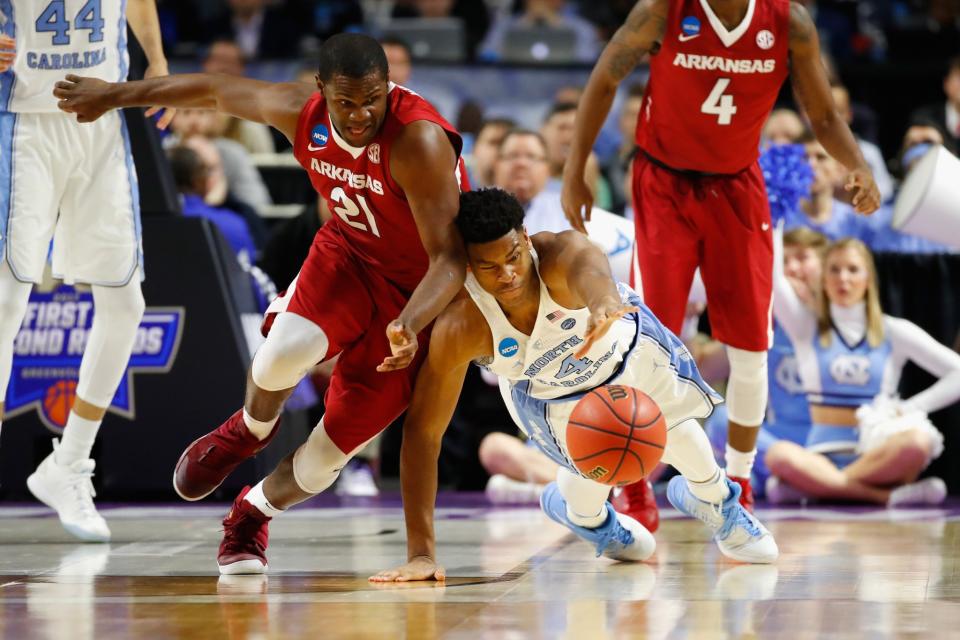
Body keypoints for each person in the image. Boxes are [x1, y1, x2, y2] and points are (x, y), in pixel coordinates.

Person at [55, 33, 469, 572]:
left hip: (419, 293)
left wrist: (410, 323)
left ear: (387, 87)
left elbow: (451, 260)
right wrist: (113, 94)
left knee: (324, 462)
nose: (362, 113)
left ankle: (250, 513)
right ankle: (249, 430)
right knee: (283, 351)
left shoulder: (418, 140)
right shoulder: (301, 112)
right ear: (321, 91)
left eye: (373, 98)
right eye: (347, 102)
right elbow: (213, 90)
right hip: (349, 257)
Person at [561, 0, 881, 521]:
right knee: (652, 339)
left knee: (752, 345)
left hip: (737, 186)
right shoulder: (663, 11)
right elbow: (604, 77)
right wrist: (576, 167)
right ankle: (636, 484)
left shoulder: (788, 22)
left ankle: (738, 482)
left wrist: (859, 165)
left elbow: (820, 113)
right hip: (664, 183)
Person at [371, 188, 778, 582]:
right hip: (552, 397)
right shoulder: (462, 325)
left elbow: (595, 278)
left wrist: (604, 307)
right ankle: (587, 517)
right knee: (598, 493)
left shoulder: (564, 253)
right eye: (490, 267)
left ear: (526, 238)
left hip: (625, 354)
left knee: (677, 431)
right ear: (467, 265)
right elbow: (424, 433)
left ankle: (718, 501)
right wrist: (421, 554)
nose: (508, 274)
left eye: (513, 257)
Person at [0, 0, 171, 542]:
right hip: (22, 121)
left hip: (99, 123)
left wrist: (157, 60)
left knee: (126, 305)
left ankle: (68, 464)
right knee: (6, 300)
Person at [764, 234, 960, 505]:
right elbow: (774, 280)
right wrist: (774, 221)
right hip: (820, 455)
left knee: (917, 443)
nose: (843, 278)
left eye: (853, 270)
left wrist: (910, 407)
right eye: (834, 269)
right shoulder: (806, 327)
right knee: (779, 455)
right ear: (823, 278)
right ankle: (883, 496)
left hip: (879, 454)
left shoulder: (893, 330)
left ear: (868, 279)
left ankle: (818, 488)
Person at [707, 227, 826, 496]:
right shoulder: (763, 321)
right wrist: (689, 321)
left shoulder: (842, 317)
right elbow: (704, 369)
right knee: (721, 420)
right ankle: (800, 482)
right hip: (775, 441)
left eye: (803, 257)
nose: (792, 268)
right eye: (785, 261)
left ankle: (797, 482)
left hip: (828, 440)